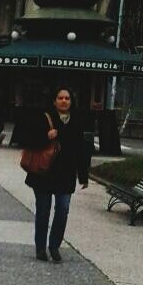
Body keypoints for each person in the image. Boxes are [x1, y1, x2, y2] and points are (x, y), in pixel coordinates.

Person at [23, 86, 89, 263]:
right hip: (44, 173)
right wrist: (46, 136)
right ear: (54, 101)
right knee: (43, 212)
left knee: (63, 210)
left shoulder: (77, 121)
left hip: (66, 173)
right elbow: (27, 141)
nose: (64, 101)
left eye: (67, 98)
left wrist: (83, 175)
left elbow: (82, 150)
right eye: (60, 98)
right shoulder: (43, 118)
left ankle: (54, 246)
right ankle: (40, 247)